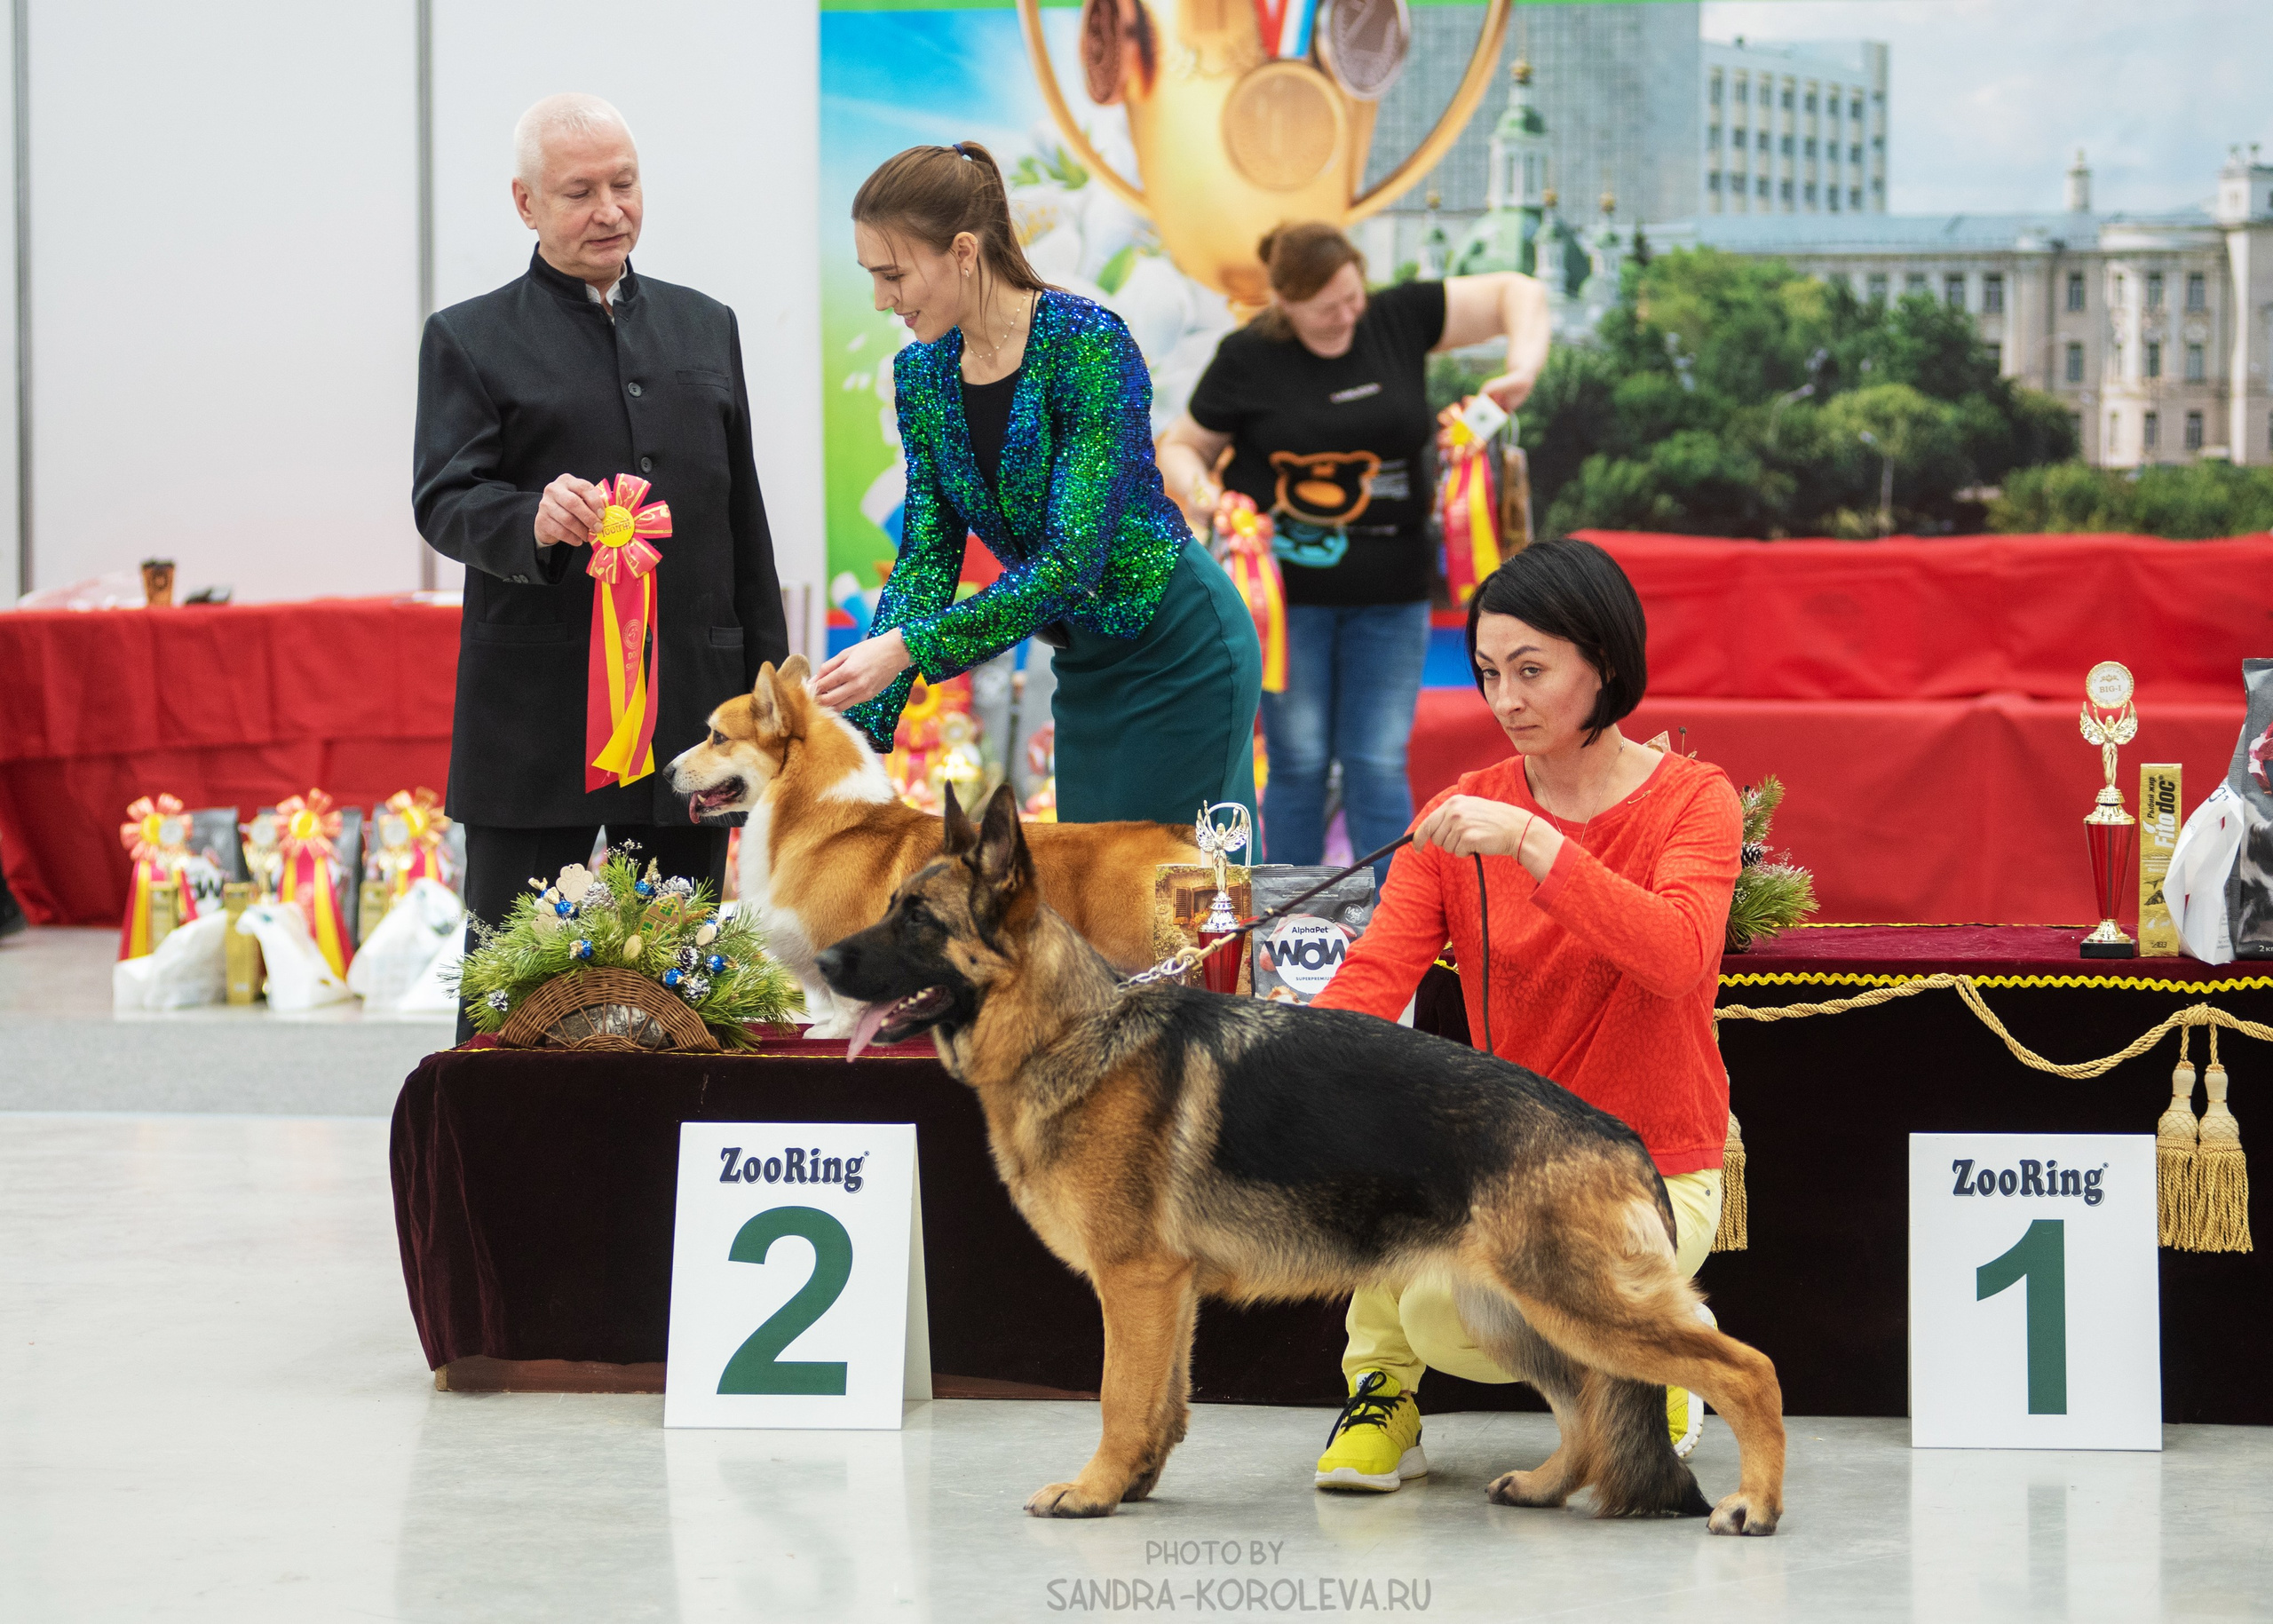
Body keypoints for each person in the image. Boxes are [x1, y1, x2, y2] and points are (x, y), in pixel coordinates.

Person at [1303, 538, 1741, 1491]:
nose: (1506, 699)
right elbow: (1375, 976)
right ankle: (1380, 1391)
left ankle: (1656, 1351)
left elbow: (1678, 956)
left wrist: (1537, 843)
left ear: (1606, 662)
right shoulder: (1461, 813)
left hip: (1652, 1162)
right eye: (1489, 672)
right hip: (1502, 1161)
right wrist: (1283, 1061)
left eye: (1532, 670)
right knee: (1394, 1189)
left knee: (1473, 1300)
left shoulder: (1694, 801)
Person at [414, 94, 788, 1041]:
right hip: (534, 723)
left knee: (686, 994)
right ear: (525, 204)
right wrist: (529, 519)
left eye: (624, 184)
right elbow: (444, 499)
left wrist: (769, 690)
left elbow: (743, 516)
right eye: (579, 192)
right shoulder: (467, 337)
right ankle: (494, 1141)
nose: (609, 210)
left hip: (691, 716)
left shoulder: (708, 326)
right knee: (507, 997)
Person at [813, 142, 1263, 829]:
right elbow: (928, 557)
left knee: (1178, 885)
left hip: (1180, 648)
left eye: (893, 274)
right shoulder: (921, 375)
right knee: (1093, 884)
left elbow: (1071, 563)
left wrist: (907, 646)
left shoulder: (1087, 343)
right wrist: (859, 732)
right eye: (871, 277)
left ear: (964, 251)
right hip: (1086, 665)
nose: (881, 300)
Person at [1158, 225, 1548, 886]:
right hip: (1288, 600)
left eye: (1353, 296)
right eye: (1327, 308)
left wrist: (1523, 370)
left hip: (1393, 592)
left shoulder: (1397, 317)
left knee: (1376, 760)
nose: (1347, 315)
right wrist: (1210, 497)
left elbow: (1521, 292)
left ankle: (1394, 914)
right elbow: (1182, 445)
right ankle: (1287, 913)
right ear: (1285, 302)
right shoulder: (1248, 356)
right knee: (1299, 762)